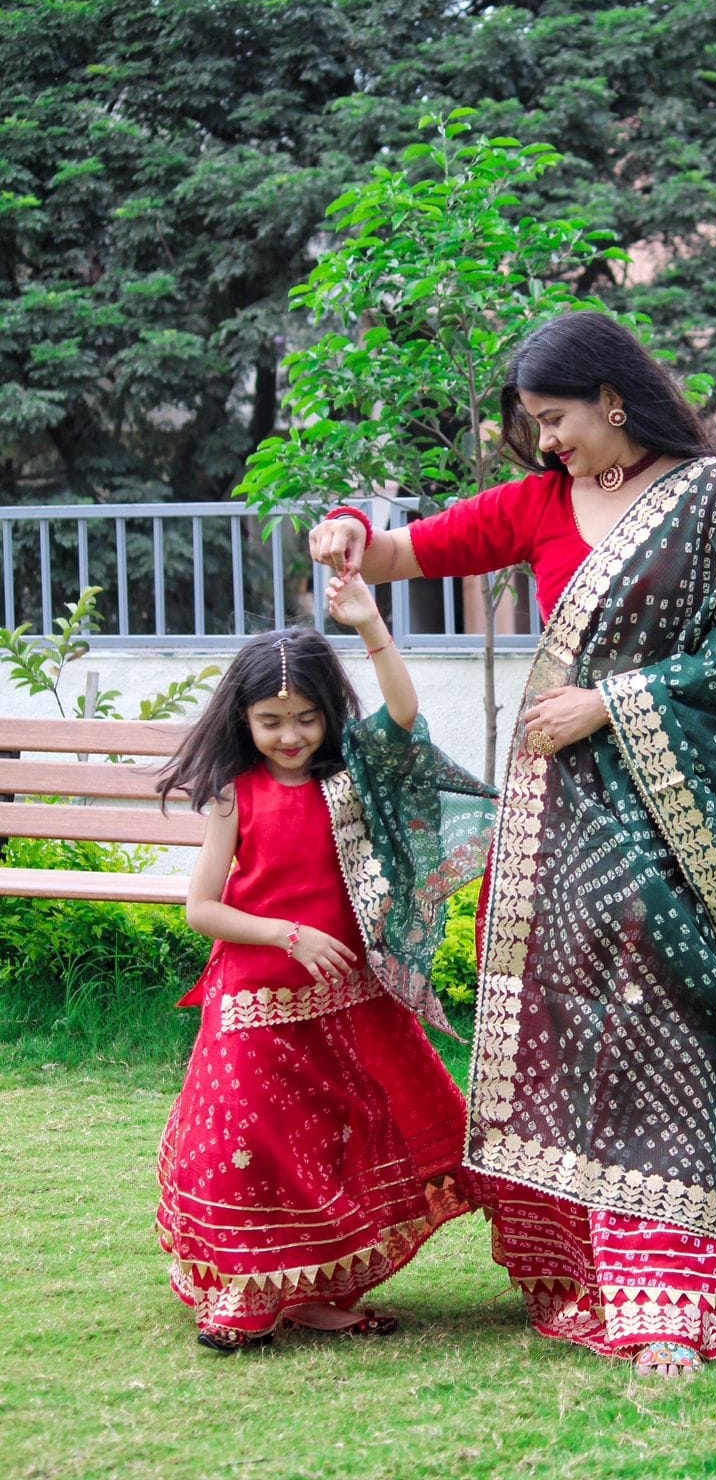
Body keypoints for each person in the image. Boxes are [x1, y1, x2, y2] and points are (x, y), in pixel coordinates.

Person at [309, 310, 716, 1378]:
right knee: (579, 1028)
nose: (546, 440)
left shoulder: (712, 498)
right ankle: (596, 1266)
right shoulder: (539, 502)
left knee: (671, 1018)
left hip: (683, 816)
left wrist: (612, 700)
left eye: (555, 417)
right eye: (532, 422)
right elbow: (399, 550)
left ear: (613, 397)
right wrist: (340, 528)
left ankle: (681, 1282)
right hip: (561, 822)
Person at [155, 579, 495, 1352]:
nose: (290, 735)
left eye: (307, 718)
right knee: (248, 1147)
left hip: (348, 1000)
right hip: (255, 1000)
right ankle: (243, 1296)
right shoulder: (234, 794)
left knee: (342, 1143)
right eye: (271, 721)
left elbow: (402, 715)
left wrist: (370, 623)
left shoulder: (353, 778)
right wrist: (286, 935)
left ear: (330, 714)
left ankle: (314, 1295)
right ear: (243, 718)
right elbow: (201, 909)